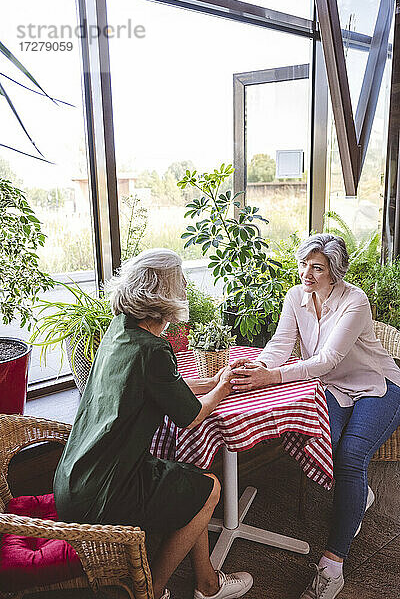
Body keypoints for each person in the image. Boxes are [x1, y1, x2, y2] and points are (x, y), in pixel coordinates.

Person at [54, 248, 253, 599]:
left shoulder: (121, 331)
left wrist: (209, 383)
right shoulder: (154, 350)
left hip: (75, 477)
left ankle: (207, 583)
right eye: (182, 284)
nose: (186, 290)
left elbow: (161, 387)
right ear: (166, 296)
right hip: (104, 490)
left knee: (194, 482)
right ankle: (152, 591)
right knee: (210, 489)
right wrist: (222, 388)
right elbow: (191, 416)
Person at [229, 233, 400, 599]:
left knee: (352, 456)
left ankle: (332, 567)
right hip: (333, 386)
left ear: (334, 272)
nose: (307, 273)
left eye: (317, 267)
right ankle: (359, 497)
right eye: (304, 264)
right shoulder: (296, 296)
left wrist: (272, 376)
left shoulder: (355, 301)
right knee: (321, 438)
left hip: (377, 384)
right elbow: (280, 343)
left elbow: (327, 359)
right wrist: (259, 367)